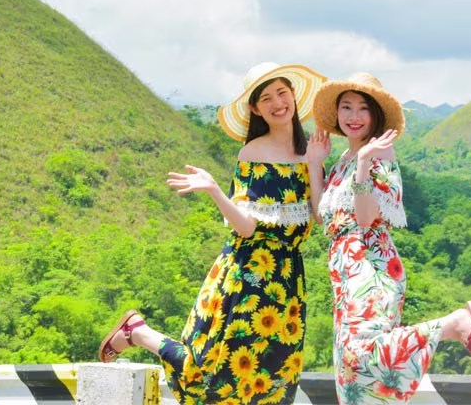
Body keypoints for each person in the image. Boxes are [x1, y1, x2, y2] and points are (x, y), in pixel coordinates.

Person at [98, 62, 327, 405]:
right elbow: (246, 227)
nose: (277, 103)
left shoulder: (312, 152)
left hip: (288, 280)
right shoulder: (253, 153)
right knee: (209, 373)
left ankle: (137, 331)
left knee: (275, 381)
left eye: (282, 93)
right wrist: (215, 191)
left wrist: (315, 163)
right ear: (255, 109)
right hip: (246, 274)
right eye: (266, 98)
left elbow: (320, 217)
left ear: (293, 95)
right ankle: (139, 333)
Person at [306, 72, 471, 404]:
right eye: (347, 107)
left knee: (362, 354)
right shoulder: (343, 160)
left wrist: (364, 163)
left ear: (375, 115)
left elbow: (364, 218)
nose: (354, 116)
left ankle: (455, 325)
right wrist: (314, 165)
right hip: (344, 273)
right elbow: (323, 217)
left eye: (363, 108)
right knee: (350, 372)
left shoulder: (380, 155)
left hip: (371, 268)